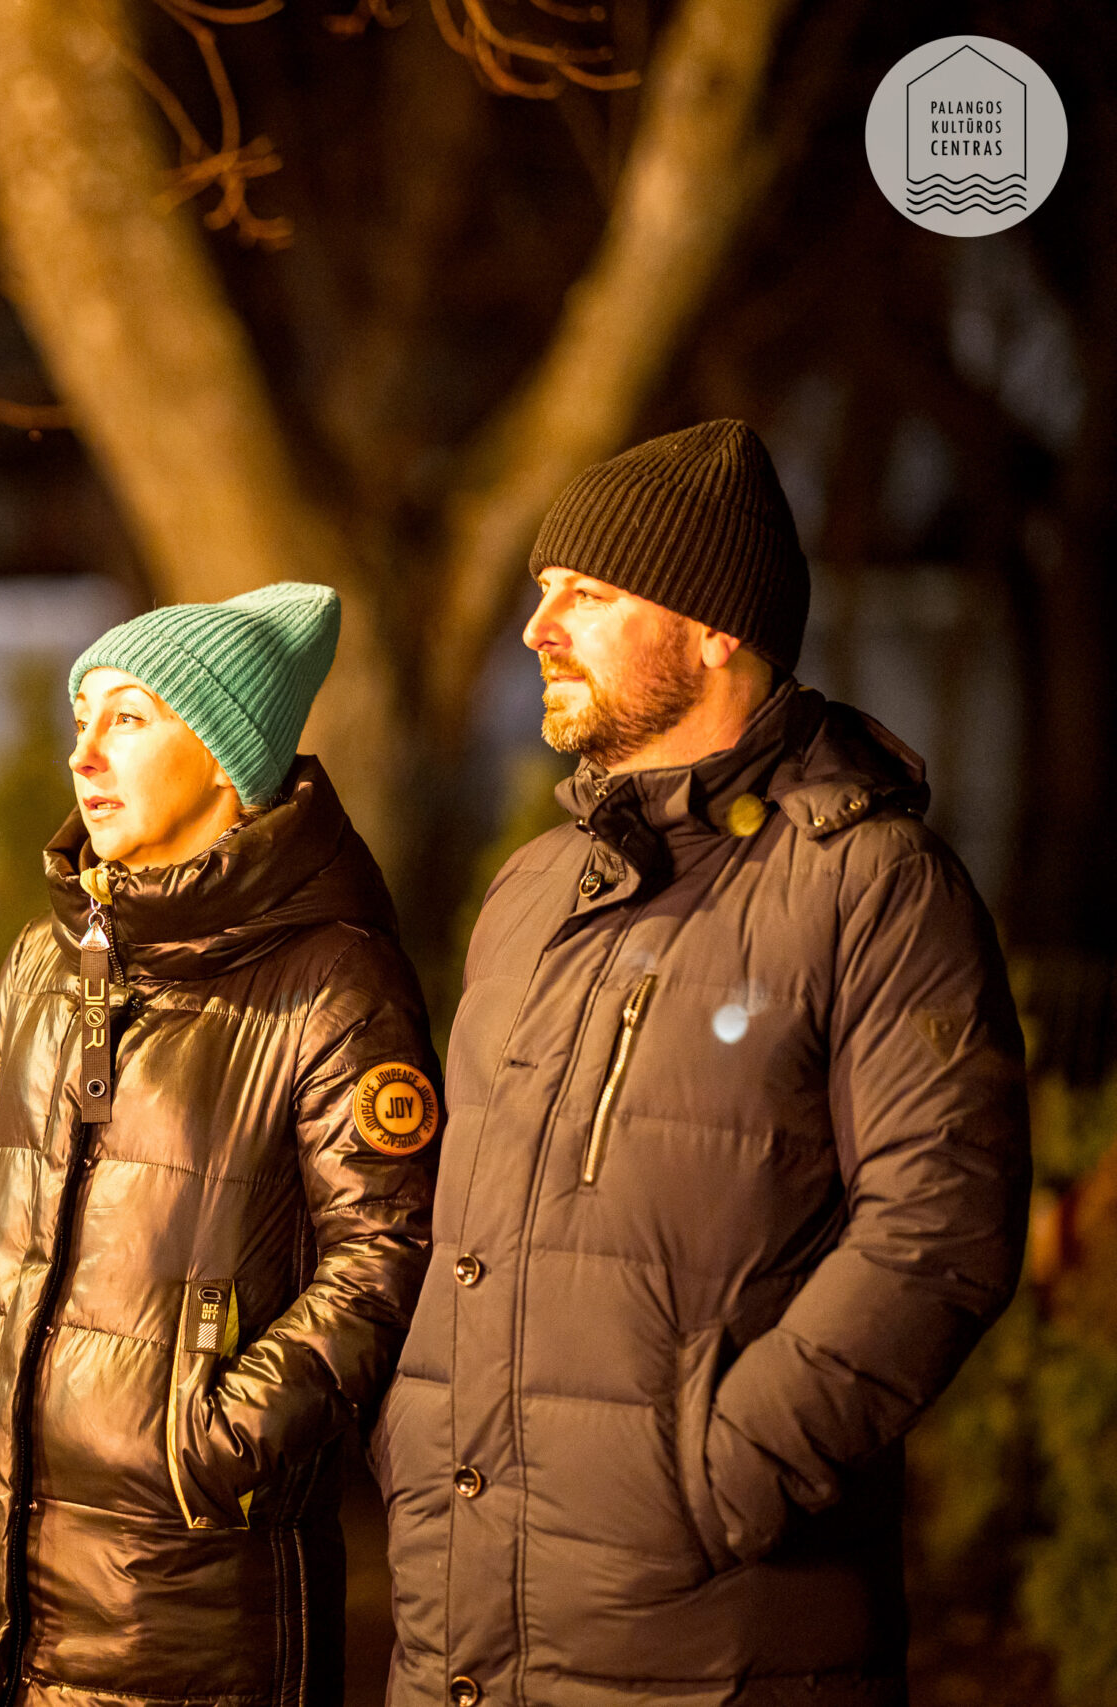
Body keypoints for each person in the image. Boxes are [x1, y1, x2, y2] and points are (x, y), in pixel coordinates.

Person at [377, 421, 1031, 1707]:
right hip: (462, 1625)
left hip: (713, 1641)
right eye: (540, 591)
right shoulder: (531, 891)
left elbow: (941, 1230)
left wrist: (726, 1474)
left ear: (713, 626)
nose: (537, 629)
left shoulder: (871, 885)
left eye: (588, 595)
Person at [0, 582, 441, 1707]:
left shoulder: (332, 980)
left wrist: (211, 1442)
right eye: (79, 718)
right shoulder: (44, 962)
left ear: (226, 756)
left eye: (129, 718)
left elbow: (384, 1259)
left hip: (185, 1586)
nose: (84, 754)